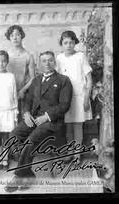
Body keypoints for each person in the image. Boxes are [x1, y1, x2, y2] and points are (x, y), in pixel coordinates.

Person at [4, 51, 73, 192]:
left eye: (50, 60)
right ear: (39, 64)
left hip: (52, 122)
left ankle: (19, 176)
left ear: (54, 62)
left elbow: (64, 105)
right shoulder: (36, 80)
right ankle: (27, 172)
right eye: (44, 61)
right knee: (13, 135)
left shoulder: (63, 80)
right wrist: (26, 113)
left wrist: (47, 116)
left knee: (31, 140)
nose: (47, 63)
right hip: (34, 119)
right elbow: (28, 100)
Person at [56, 30, 93, 163]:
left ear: (75, 43)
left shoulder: (80, 56)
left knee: (77, 126)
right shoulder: (59, 58)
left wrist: (87, 97)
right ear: (61, 44)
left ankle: (77, 155)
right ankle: (70, 152)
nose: (69, 45)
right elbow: (57, 79)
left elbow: (89, 79)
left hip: (79, 97)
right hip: (65, 98)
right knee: (68, 127)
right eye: (65, 42)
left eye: (71, 42)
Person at [5, 25, 36, 122]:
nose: (15, 37)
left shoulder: (28, 55)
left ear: (22, 36)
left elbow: (33, 78)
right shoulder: (6, 55)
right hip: (8, 92)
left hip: (23, 92)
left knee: (22, 120)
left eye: (17, 35)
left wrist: (22, 90)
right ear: (9, 38)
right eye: (12, 35)